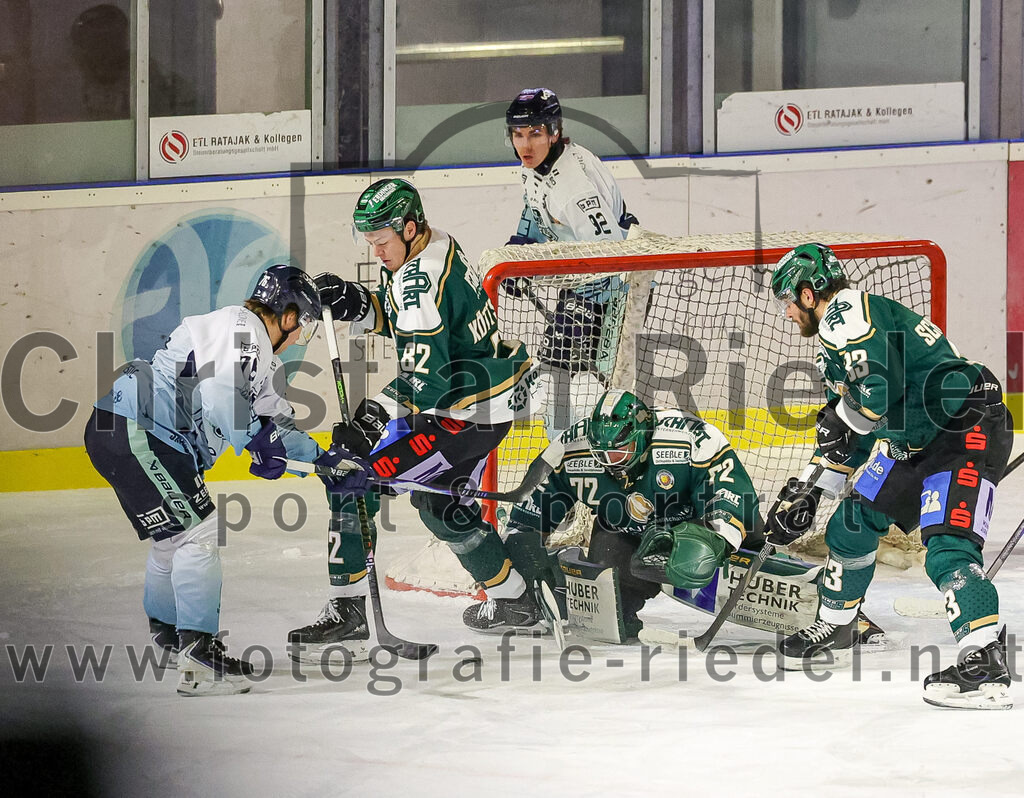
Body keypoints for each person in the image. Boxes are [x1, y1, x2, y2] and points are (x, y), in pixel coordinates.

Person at [292, 177, 542, 655]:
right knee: (440, 506)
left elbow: (428, 381)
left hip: (460, 414)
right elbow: (406, 323)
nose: (377, 251)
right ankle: (514, 600)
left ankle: (346, 611)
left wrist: (371, 418)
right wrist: (357, 304)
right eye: (369, 242)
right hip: (483, 406)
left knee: (349, 476)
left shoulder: (419, 281)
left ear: (408, 227)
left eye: (381, 241)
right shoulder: (433, 244)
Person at [767, 242, 1014, 709]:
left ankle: (985, 666)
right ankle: (840, 625)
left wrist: (839, 426)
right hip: (912, 434)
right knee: (853, 520)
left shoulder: (845, 317)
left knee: (948, 546)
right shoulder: (841, 336)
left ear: (806, 294)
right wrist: (810, 488)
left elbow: (871, 400)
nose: (786, 314)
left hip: (963, 427)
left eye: (787, 301)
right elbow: (850, 431)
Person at [85, 265, 348, 696]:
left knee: (172, 539)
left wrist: (323, 460)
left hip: (121, 426)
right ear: (286, 314)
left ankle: (170, 639)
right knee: (199, 533)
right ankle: (198, 654)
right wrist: (258, 441)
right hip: (141, 429)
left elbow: (273, 421)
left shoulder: (253, 348)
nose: (302, 335)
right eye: (303, 324)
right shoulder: (244, 331)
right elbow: (226, 399)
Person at [462, 388, 761, 638]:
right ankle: (556, 597)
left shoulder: (689, 438)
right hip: (626, 532)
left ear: (641, 438)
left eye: (617, 454)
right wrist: (529, 572)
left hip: (692, 523)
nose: (609, 464)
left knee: (735, 534)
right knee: (608, 617)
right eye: (600, 454)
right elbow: (528, 517)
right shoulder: (571, 449)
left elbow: (731, 489)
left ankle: (762, 555)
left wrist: (718, 539)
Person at [502, 87, 639, 437]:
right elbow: (535, 210)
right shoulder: (535, 166)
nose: (525, 145)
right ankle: (566, 455)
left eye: (535, 133)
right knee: (558, 376)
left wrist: (582, 308)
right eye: (518, 135)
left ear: (554, 131)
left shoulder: (574, 187)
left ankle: (589, 457)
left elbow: (611, 255)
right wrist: (519, 251)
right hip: (583, 281)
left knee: (594, 385)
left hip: (617, 286)